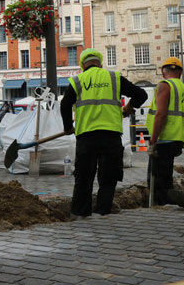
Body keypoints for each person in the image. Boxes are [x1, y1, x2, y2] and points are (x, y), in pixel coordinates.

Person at [61, 48, 148, 218]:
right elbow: (141, 95)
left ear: (82, 64)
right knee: (108, 178)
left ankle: (80, 214)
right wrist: (129, 107)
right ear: (100, 63)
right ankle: (103, 212)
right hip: (111, 136)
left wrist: (67, 128)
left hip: (86, 136)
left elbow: (64, 105)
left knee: (83, 179)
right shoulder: (113, 78)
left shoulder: (77, 81)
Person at [145, 57, 184, 205]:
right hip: (177, 138)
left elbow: (161, 115)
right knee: (165, 176)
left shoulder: (165, 85)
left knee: (156, 180)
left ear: (162, 71)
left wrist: (153, 140)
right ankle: (168, 203)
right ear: (180, 72)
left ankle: (162, 207)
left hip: (164, 138)